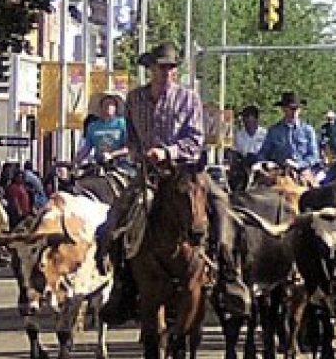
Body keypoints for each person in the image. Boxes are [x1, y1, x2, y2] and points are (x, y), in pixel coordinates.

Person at [97, 42, 249, 325]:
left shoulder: (187, 99)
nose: (167, 72)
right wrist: (137, 153)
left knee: (221, 206)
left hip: (185, 171)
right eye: (162, 67)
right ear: (150, 70)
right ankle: (121, 284)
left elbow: (195, 140)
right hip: (148, 175)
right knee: (113, 221)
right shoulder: (135, 99)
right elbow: (131, 138)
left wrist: (167, 152)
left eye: (171, 68)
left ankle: (229, 276)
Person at [257, 92, 320, 177]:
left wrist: (298, 165)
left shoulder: (308, 130)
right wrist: (267, 163)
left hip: (302, 171)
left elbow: (314, 156)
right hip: (279, 171)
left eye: (297, 108)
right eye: (291, 108)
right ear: (284, 109)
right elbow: (263, 153)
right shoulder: (274, 131)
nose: (294, 112)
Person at [75, 92, 129, 167]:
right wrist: (76, 160)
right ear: (100, 107)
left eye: (111, 104)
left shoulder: (123, 124)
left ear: (116, 107)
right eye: (106, 104)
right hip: (98, 164)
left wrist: (111, 155)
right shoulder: (92, 126)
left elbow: (128, 148)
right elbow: (87, 147)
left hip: (120, 163)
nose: (108, 106)